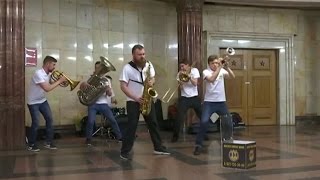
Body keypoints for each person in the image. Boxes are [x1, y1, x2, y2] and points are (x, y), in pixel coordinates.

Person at [119, 44, 170, 160]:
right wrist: (136, 97)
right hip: (133, 101)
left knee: (153, 123)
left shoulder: (149, 64)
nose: (142, 57)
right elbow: (123, 86)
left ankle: (158, 147)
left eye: (143, 54)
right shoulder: (127, 68)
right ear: (133, 55)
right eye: (139, 54)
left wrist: (152, 81)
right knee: (131, 126)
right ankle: (125, 151)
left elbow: (153, 78)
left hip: (147, 99)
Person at [193, 55, 235, 155]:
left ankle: (228, 143)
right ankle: (198, 145)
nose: (215, 65)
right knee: (203, 123)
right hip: (209, 102)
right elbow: (211, 79)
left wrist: (227, 67)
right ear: (209, 64)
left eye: (217, 63)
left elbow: (233, 76)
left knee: (228, 122)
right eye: (213, 63)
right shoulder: (205, 72)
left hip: (221, 102)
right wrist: (220, 67)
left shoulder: (221, 70)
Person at [27, 55, 67, 152]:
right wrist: (60, 81)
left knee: (49, 119)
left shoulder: (48, 74)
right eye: (53, 65)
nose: (54, 67)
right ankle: (31, 144)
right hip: (33, 102)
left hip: (42, 100)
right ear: (48, 64)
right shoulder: (38, 74)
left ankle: (48, 142)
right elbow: (47, 88)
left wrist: (60, 81)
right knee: (36, 123)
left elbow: (51, 84)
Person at [80, 61, 122, 146]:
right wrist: (83, 84)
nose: (98, 69)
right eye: (97, 68)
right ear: (95, 68)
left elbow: (109, 94)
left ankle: (120, 137)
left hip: (103, 104)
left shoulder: (106, 80)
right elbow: (82, 89)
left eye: (100, 68)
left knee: (112, 120)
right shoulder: (91, 78)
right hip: (92, 103)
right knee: (91, 121)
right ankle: (88, 139)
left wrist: (108, 89)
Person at [171, 60, 202, 143]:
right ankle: (175, 136)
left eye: (183, 66)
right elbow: (181, 88)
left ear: (188, 65)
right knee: (179, 118)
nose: (181, 68)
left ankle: (204, 134)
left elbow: (195, 83)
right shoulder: (179, 74)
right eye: (180, 66)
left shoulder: (194, 71)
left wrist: (189, 76)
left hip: (194, 97)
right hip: (184, 98)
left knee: (202, 116)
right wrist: (181, 81)